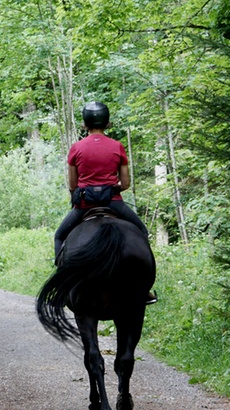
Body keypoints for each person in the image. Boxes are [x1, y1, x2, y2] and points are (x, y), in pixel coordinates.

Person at [54, 101, 157, 304]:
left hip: (84, 205)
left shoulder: (76, 148)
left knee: (60, 236)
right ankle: (145, 288)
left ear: (85, 123)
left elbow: (73, 184)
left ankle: (63, 285)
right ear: (107, 122)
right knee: (141, 232)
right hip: (113, 203)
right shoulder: (117, 146)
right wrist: (111, 188)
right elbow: (126, 183)